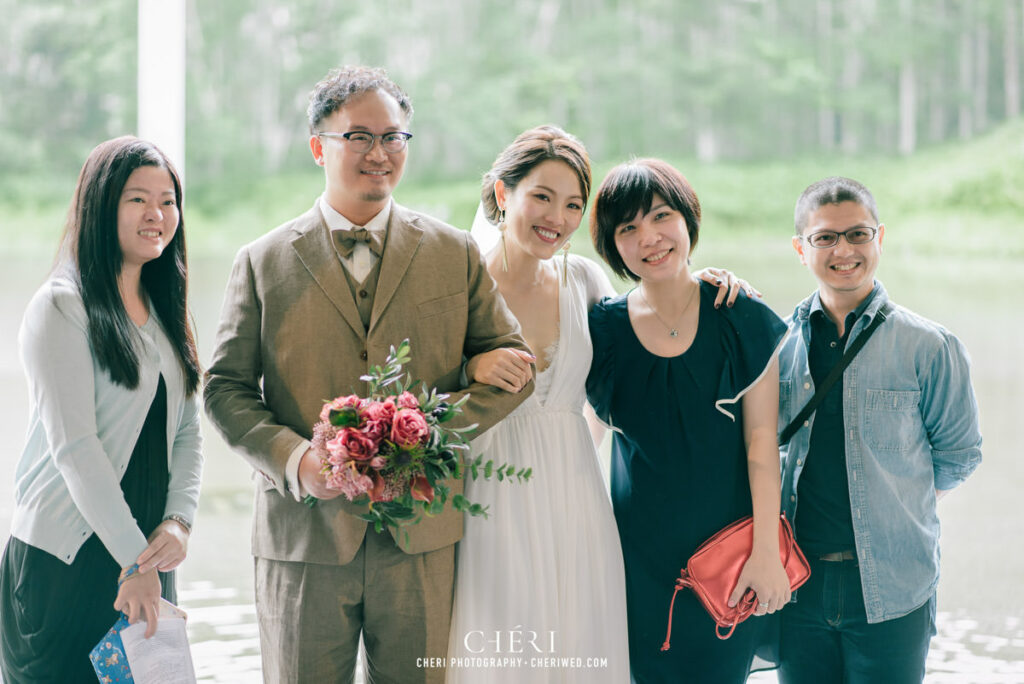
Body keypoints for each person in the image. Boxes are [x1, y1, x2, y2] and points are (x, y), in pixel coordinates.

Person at [203, 66, 533, 684]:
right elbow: (224, 389)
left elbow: (513, 369)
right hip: (302, 540)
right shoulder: (262, 260)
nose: (379, 154)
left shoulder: (453, 251)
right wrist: (298, 460)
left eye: (394, 137)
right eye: (358, 137)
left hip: (421, 537)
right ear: (318, 147)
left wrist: (423, 436)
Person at [0, 136, 203, 682]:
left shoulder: (165, 309)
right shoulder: (61, 307)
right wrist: (133, 562)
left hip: (148, 558)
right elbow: (75, 449)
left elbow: (188, 430)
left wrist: (179, 522)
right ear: (101, 205)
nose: (157, 214)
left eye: (168, 200)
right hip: (68, 563)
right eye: (137, 199)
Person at [586, 158, 791, 683]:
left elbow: (762, 444)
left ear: (687, 220)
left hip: (729, 557)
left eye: (660, 217)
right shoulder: (602, 332)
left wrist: (766, 554)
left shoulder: (740, 317)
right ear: (613, 246)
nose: (649, 237)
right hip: (634, 559)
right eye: (627, 228)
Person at [776, 177, 982, 684]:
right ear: (801, 248)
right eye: (825, 238)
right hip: (797, 582)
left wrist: (898, 498)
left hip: (894, 583)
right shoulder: (775, 345)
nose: (843, 250)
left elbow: (958, 455)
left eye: (857, 234)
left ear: (879, 238)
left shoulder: (930, 346)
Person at [445, 125, 631, 682]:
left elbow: (652, 331)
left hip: (576, 494)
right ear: (504, 195)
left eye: (574, 204)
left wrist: (712, 284)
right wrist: (475, 368)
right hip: (489, 491)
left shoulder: (586, 281)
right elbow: (415, 393)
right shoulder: (461, 282)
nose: (558, 217)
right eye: (542, 197)